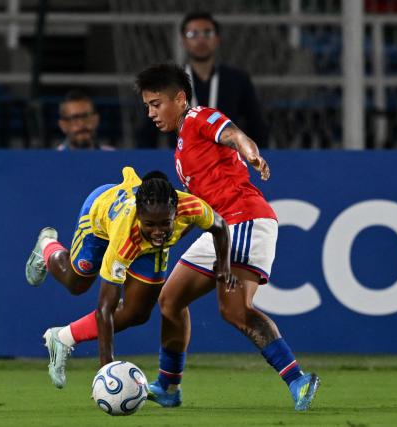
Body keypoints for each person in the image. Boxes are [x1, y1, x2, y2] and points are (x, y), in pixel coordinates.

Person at [135, 64, 320, 411]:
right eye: (147, 106)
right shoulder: (180, 149)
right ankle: (168, 387)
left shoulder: (199, 118)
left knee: (235, 310)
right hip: (219, 228)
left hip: (246, 218)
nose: (151, 113)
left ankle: (298, 379)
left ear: (180, 98)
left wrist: (252, 154)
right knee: (170, 300)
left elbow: (234, 135)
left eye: (156, 104)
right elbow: (199, 207)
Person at [24, 166, 235, 388]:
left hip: (149, 249)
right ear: (139, 215)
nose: (158, 231)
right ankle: (47, 246)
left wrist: (224, 266)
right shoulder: (123, 241)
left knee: (138, 312)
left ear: (176, 212)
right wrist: (106, 370)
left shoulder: (190, 206)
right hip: (99, 217)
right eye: (150, 224)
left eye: (165, 223)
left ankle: (62, 338)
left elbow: (219, 226)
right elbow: (105, 309)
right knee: (77, 283)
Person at [136, 11, 269, 149]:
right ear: (183, 41)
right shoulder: (167, 82)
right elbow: (146, 132)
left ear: (217, 39)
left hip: (225, 164)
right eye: (193, 34)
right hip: (181, 163)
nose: (201, 40)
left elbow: (257, 126)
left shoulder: (237, 80)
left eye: (207, 33)